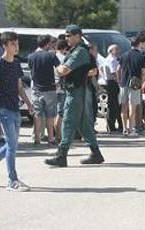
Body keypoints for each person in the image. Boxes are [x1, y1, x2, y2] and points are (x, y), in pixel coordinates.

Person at [0, 31, 35, 191]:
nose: (16, 47)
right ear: (4, 46)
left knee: (13, 144)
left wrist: (29, 103)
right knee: (12, 144)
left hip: (15, 108)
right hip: (3, 109)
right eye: (12, 44)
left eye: (17, 44)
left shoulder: (16, 63)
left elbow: (19, 87)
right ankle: (12, 180)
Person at [45, 25, 105, 167]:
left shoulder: (79, 52)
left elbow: (63, 70)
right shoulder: (74, 51)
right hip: (73, 90)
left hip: (77, 91)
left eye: (70, 35)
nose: (67, 38)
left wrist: (58, 68)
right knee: (83, 124)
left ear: (78, 36)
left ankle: (61, 155)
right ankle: (96, 153)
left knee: (68, 121)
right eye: (66, 36)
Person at [27, 35, 60, 145]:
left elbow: (31, 70)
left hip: (36, 88)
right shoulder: (51, 56)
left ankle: (37, 138)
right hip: (49, 88)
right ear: (47, 44)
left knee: (37, 114)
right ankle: (51, 138)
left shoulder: (31, 56)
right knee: (50, 114)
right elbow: (59, 68)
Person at [118, 35, 145, 136]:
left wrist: (119, 80)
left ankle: (124, 129)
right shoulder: (141, 56)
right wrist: (142, 81)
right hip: (135, 84)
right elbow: (143, 72)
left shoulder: (123, 55)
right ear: (139, 44)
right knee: (133, 106)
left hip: (123, 82)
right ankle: (131, 129)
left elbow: (118, 70)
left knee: (124, 106)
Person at [101, 44, 122, 134]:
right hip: (112, 82)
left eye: (118, 49)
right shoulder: (112, 60)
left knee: (113, 105)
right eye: (115, 50)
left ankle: (114, 125)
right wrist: (119, 82)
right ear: (110, 51)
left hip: (109, 82)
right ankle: (111, 125)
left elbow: (101, 68)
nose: (117, 51)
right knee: (113, 105)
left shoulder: (107, 59)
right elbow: (114, 73)